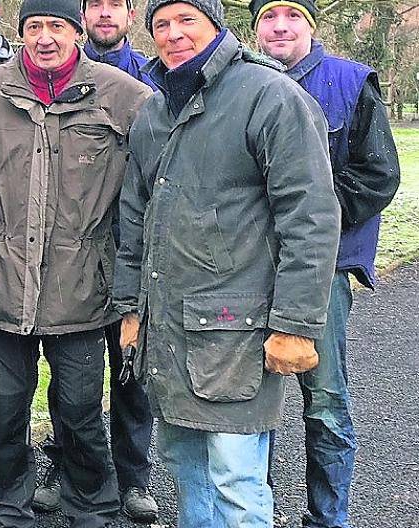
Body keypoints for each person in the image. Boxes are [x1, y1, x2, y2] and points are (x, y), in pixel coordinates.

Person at [113, 0, 342, 526]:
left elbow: (309, 217)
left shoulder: (269, 96)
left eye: (186, 20)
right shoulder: (154, 112)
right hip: (170, 329)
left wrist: (296, 326)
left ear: (216, 25)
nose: (173, 34)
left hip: (236, 333)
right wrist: (131, 308)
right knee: (188, 469)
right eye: (161, 24)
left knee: (238, 483)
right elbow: (135, 219)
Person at [0, 0, 151, 525]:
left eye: (57, 26)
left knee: (80, 409)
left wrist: (134, 274)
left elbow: (156, 185)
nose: (44, 37)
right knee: (7, 408)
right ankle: (5, 503)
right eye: (33, 26)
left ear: (76, 33)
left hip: (82, 290)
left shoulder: (121, 95)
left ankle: (91, 503)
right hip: (2, 287)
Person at [252, 1, 401, 526]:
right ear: (255, 28)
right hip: (250, 269)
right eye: (269, 17)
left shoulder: (351, 82)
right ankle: (253, 511)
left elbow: (378, 175)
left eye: (292, 16)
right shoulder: (239, 84)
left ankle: (327, 517)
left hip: (325, 270)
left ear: (310, 26)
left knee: (326, 398)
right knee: (250, 400)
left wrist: (310, 218)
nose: (280, 27)